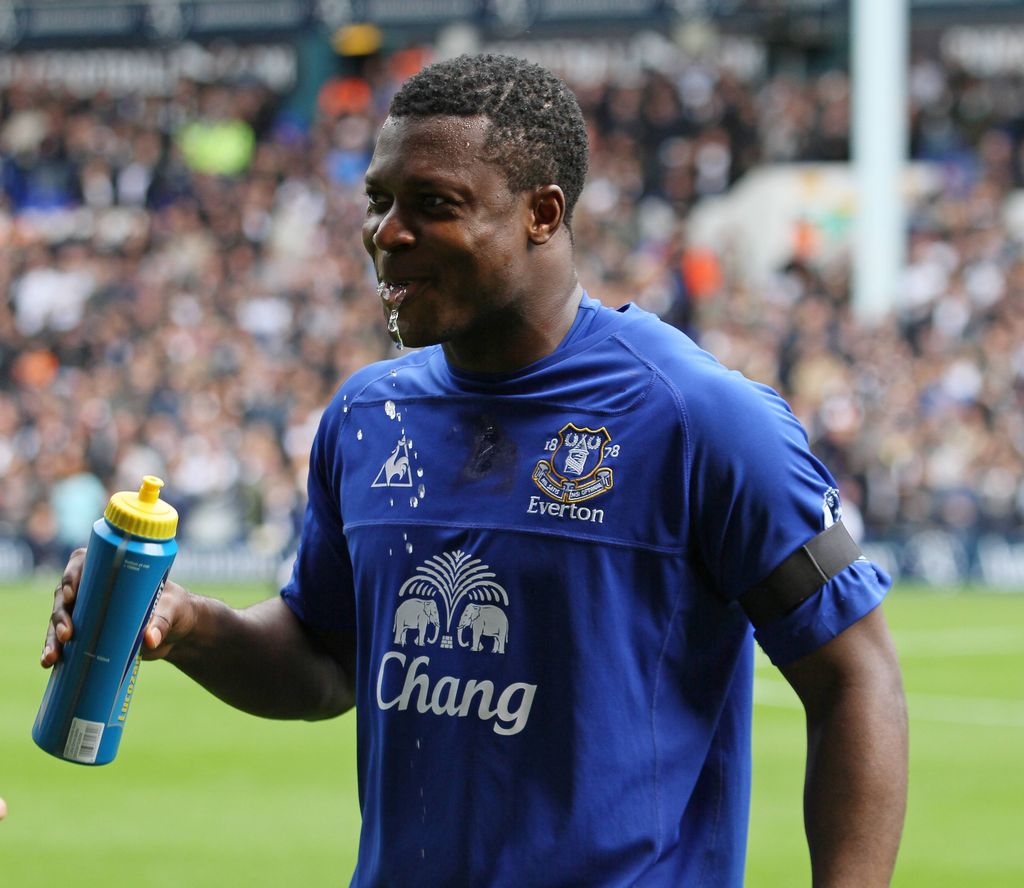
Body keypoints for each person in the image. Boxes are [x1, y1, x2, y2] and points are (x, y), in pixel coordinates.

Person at [43, 54, 907, 886]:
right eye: (378, 201)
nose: (388, 234)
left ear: (542, 213)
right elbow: (326, 660)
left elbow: (854, 675)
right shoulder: (365, 416)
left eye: (434, 204)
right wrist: (190, 622)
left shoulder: (702, 420)